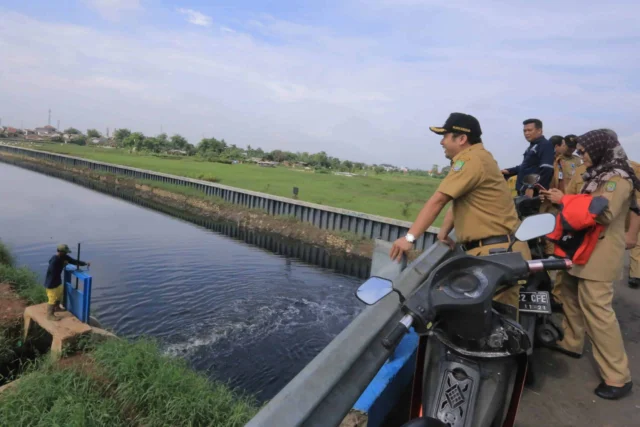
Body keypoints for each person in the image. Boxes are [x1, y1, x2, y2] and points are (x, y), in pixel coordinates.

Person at [389, 112, 531, 312]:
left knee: (493, 330)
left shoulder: (470, 160)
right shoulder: (480, 157)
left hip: (497, 254)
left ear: (462, 139)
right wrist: (444, 232)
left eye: (446, 136)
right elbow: (461, 199)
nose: (442, 142)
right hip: (499, 252)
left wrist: (410, 238)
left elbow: (439, 200)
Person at [540, 129, 635, 400]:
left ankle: (618, 376)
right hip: (580, 247)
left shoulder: (618, 179)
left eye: (584, 151)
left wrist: (565, 201)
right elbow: (584, 205)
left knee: (597, 311)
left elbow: (603, 213)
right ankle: (572, 341)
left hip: (601, 252)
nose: (582, 156)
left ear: (600, 149)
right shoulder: (595, 176)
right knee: (568, 293)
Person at [501, 119, 555, 197]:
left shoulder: (545, 145)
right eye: (524, 131)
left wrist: (532, 187)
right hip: (523, 191)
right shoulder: (532, 146)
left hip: (533, 193)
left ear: (539, 131)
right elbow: (526, 167)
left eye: (529, 130)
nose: (526, 133)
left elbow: (546, 169)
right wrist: (508, 171)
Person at [44, 244, 90, 321]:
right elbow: (52, 271)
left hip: (58, 281)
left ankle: (57, 307)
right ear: (60, 252)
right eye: (65, 252)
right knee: (52, 299)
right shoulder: (55, 260)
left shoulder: (64, 257)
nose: (66, 254)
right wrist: (63, 264)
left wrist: (85, 263)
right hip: (51, 284)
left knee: (59, 295)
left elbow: (74, 261)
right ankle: (50, 315)